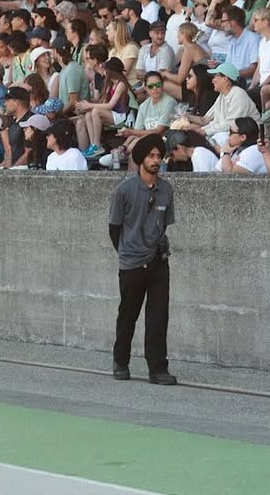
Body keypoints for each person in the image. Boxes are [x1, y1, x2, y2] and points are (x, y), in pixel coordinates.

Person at [108, 132, 178, 386]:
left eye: (159, 156)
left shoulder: (166, 190)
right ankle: (121, 360)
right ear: (140, 159)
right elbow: (114, 227)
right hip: (132, 263)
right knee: (128, 314)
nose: (155, 160)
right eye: (151, 156)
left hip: (158, 261)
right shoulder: (125, 190)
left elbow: (164, 224)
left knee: (159, 316)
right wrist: (128, 252)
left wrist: (157, 249)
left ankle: (158, 368)